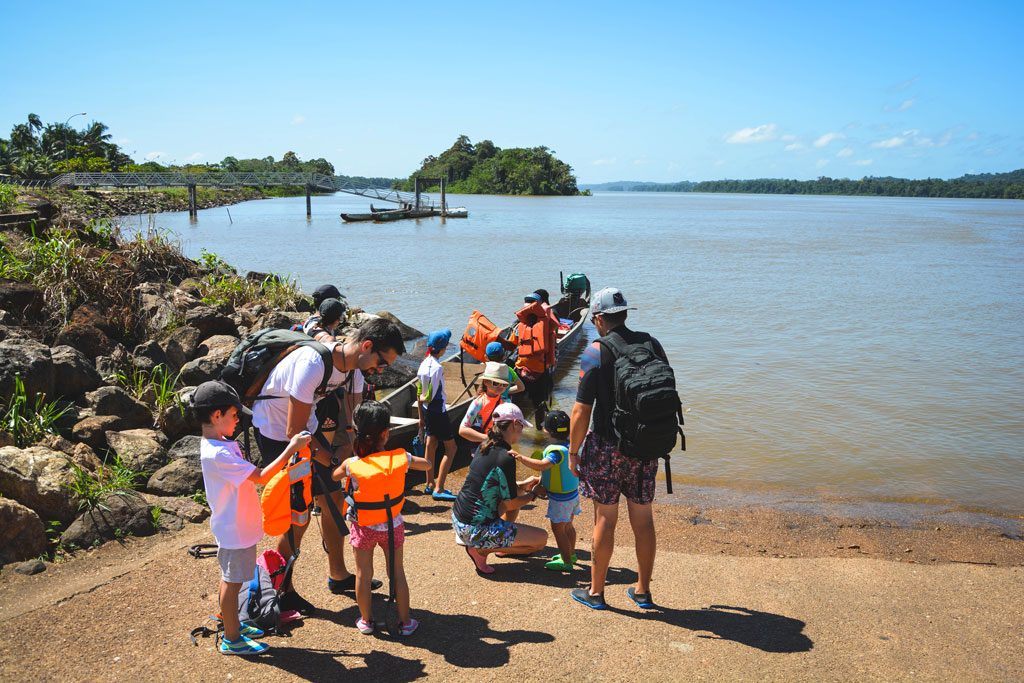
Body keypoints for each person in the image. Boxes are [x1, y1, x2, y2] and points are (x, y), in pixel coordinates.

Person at [251, 317, 406, 614]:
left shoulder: (354, 369)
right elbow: (292, 432)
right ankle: (281, 591)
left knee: (334, 498)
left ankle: (338, 575)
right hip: (276, 432)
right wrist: (334, 459)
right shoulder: (312, 363)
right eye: (382, 363)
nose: (381, 371)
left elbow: (351, 418)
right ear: (367, 346)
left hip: (311, 433)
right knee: (299, 515)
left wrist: (354, 451)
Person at [194, 380, 312, 656]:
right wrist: (291, 448)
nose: (238, 421)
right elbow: (261, 477)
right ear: (216, 416)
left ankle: (234, 624)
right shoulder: (218, 453)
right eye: (234, 416)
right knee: (232, 582)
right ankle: (232, 639)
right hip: (234, 531)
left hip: (239, 527)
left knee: (237, 579)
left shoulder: (221, 443)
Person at [569, 287, 667, 610]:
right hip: (644, 446)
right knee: (643, 521)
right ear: (625, 314)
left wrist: (573, 452)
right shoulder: (652, 344)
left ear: (598, 319)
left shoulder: (596, 352)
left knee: (605, 521)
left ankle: (596, 593)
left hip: (607, 448)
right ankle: (642, 591)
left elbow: (581, 411)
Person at [333, 401, 431, 636]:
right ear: (386, 434)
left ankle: (366, 621)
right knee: (396, 572)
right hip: (392, 525)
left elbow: (335, 475)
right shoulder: (400, 458)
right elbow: (426, 464)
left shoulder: (352, 464)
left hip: (363, 525)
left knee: (363, 574)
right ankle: (406, 622)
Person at [452, 403, 548, 574]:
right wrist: (533, 493)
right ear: (513, 424)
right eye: (521, 426)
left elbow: (494, 487)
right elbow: (511, 503)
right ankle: (481, 550)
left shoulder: (485, 444)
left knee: (512, 500)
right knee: (540, 540)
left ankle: (496, 543)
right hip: (474, 529)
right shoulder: (506, 457)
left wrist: (523, 485)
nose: (522, 430)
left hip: (460, 520)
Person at [512, 410, 580, 571]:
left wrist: (521, 457)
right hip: (572, 495)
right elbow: (554, 471)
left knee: (558, 529)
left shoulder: (555, 451)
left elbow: (543, 465)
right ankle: (571, 554)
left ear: (546, 430)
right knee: (568, 526)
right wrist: (541, 481)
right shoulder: (570, 445)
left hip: (560, 499)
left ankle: (566, 561)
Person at [417, 329, 458, 501]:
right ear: (442, 349)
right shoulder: (437, 367)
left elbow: (419, 391)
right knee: (451, 448)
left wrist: (421, 417)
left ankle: (429, 483)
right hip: (437, 411)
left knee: (431, 443)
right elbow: (433, 393)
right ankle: (439, 488)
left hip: (426, 409)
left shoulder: (423, 363)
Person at [510, 291, 559, 426]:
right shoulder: (547, 326)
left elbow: (511, 345)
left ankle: (514, 432)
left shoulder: (519, 326)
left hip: (522, 373)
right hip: (540, 374)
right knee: (539, 406)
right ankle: (540, 432)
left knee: (515, 405)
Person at [457, 361, 511, 453]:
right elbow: (462, 430)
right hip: (481, 447)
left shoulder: (506, 402)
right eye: (496, 383)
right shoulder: (478, 403)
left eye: (504, 384)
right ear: (486, 382)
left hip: (499, 447)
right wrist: (487, 438)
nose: (500, 387)